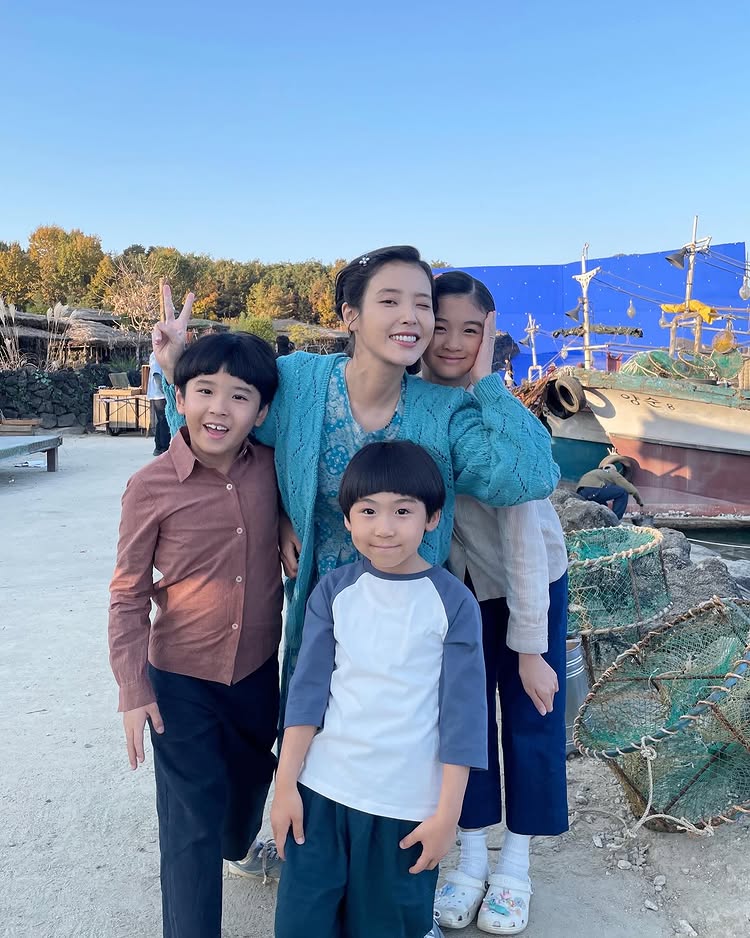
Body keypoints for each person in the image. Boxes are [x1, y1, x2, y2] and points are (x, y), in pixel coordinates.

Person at [154, 247, 560, 718]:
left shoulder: (445, 411)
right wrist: (175, 369)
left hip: (410, 630)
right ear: (351, 315)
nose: (410, 316)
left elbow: (530, 476)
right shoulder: (297, 382)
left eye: (422, 304)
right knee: (312, 740)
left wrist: (487, 381)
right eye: (390, 301)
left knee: (402, 745)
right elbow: (222, 439)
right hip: (320, 618)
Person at [271, 441, 488, 938]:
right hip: (322, 793)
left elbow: (463, 717)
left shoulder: (453, 603)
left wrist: (447, 816)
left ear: (432, 518)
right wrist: (285, 787)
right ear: (347, 519)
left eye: (402, 511)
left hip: (405, 809)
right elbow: (306, 697)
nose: (384, 528)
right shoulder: (334, 591)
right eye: (368, 511)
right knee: (301, 924)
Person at [108, 332, 284, 938]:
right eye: (204, 391)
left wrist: (287, 523)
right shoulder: (150, 487)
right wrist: (133, 689)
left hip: (257, 672)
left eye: (239, 396)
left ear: (262, 411)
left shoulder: (274, 468)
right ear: (178, 398)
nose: (219, 409)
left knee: (247, 791)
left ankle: (239, 845)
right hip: (181, 680)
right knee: (191, 826)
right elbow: (128, 593)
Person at [421, 270, 569, 935]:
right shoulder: (415, 403)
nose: (453, 343)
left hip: (526, 585)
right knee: (465, 722)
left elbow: (523, 535)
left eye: (470, 330)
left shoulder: (502, 412)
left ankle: (517, 864)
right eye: (440, 327)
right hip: (458, 593)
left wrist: (531, 647)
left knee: (533, 717)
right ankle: (473, 854)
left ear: (490, 333)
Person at [576, 463, 644, 520]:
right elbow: (629, 487)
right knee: (623, 492)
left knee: (603, 506)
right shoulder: (612, 472)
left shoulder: (597, 472)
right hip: (594, 490)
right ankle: (616, 519)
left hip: (581, 493)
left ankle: (600, 521)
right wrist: (640, 502)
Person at [147, 350, 170, 456]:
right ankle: (163, 447)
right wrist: (164, 390)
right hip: (159, 394)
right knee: (164, 419)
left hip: (159, 393)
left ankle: (159, 447)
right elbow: (157, 375)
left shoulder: (160, 353)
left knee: (161, 420)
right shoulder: (157, 354)